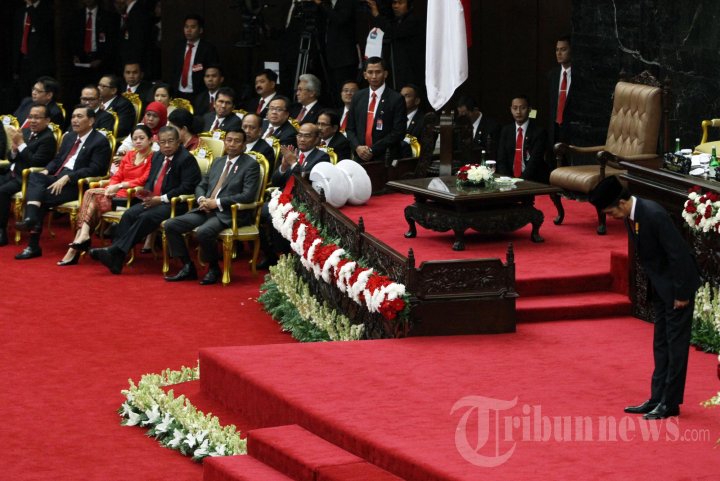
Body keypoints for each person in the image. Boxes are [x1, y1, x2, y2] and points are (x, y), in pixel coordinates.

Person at [589, 176, 701, 420]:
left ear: (621, 203)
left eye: (610, 212)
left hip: (677, 289)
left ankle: (670, 403)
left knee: (675, 347)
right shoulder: (633, 216)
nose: (611, 217)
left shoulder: (653, 214)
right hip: (661, 288)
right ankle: (657, 397)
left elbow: (678, 255)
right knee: (661, 343)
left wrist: (682, 294)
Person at [88, 126, 201, 274]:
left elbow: (187, 187)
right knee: (129, 214)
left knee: (146, 216)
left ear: (178, 141)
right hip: (153, 199)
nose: (167, 145)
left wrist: (160, 199)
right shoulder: (158, 156)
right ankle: (116, 258)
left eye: (171, 141)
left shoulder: (186, 159)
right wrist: (146, 194)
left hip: (175, 203)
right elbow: (150, 180)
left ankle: (113, 252)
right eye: (163, 142)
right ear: (158, 143)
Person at [164, 127, 261, 285]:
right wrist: (202, 199)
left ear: (244, 145)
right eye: (229, 140)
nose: (232, 144)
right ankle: (188, 266)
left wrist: (217, 202)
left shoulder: (250, 165)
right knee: (171, 225)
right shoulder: (218, 161)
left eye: (237, 141)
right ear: (224, 142)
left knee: (204, 232)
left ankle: (214, 268)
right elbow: (201, 185)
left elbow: (248, 195)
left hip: (229, 213)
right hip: (205, 208)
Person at [14, 106, 111, 260]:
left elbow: (96, 169)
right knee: (35, 176)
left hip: (76, 185)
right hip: (57, 177)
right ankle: (31, 220)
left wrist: (69, 177)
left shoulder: (100, 141)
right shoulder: (69, 137)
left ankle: (32, 243)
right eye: (73, 116)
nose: (74, 120)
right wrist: (46, 171)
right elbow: (58, 159)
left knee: (40, 197)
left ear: (91, 121)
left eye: (79, 116)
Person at [57, 125, 153, 266]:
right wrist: (110, 188)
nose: (138, 141)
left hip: (132, 197)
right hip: (115, 194)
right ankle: (81, 239)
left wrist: (119, 186)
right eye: (135, 139)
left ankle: (78, 244)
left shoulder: (153, 157)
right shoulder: (130, 155)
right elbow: (117, 175)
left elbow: (144, 180)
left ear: (150, 140)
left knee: (90, 194)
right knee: (91, 202)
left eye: (142, 138)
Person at [0, 103, 56, 246]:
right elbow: (11, 157)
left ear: (47, 120)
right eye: (30, 117)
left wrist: (21, 145)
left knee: (2, 191)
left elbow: (34, 162)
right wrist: (14, 150)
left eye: (37, 118)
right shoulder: (25, 133)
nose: (32, 121)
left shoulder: (48, 138)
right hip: (12, 173)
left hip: (27, 178)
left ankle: (2, 231)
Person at [346, 57, 406, 162]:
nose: (374, 76)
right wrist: (358, 147)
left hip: (385, 157)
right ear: (365, 75)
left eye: (378, 72)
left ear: (385, 74)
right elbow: (350, 129)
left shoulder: (396, 98)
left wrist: (372, 150)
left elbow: (398, 132)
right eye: (370, 72)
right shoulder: (357, 96)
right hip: (360, 156)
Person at [367, 0, 425, 89]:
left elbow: (394, 31)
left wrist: (377, 15)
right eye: (394, 3)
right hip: (397, 68)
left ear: (409, 5)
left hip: (412, 68)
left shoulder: (414, 20)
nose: (396, 6)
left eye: (400, 3)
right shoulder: (396, 20)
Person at [312, 0, 358, 106]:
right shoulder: (328, 4)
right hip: (328, 56)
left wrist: (321, 4)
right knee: (332, 92)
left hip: (344, 58)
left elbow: (339, 19)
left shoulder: (347, 2)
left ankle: (345, 114)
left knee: (343, 92)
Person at [496, 95, 550, 183]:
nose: (518, 112)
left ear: (529, 109)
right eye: (515, 108)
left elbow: (535, 162)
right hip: (509, 180)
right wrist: (507, 179)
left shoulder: (539, 132)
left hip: (532, 180)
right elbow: (501, 159)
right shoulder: (506, 130)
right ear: (511, 110)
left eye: (523, 108)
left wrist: (520, 181)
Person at [70, 0, 119, 93]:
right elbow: (71, 39)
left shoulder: (108, 16)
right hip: (81, 62)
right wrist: (75, 55)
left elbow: (112, 42)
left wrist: (101, 59)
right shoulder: (76, 16)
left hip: (101, 61)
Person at [170, 14, 220, 100]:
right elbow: (173, 70)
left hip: (198, 93)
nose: (188, 30)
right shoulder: (178, 46)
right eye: (186, 27)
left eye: (193, 27)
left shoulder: (208, 49)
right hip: (178, 92)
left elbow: (212, 70)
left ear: (200, 30)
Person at [12, 0, 55, 96]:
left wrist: (31, 7)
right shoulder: (20, 11)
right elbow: (16, 38)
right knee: (23, 95)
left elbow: (42, 29)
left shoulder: (47, 9)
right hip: (22, 62)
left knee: (39, 95)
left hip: (40, 64)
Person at [548, 35, 578, 145]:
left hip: (572, 133)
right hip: (554, 132)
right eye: (557, 50)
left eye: (563, 49)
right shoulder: (552, 75)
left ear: (572, 51)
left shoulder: (579, 75)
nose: (559, 53)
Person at [456, 95, 501, 160]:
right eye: (460, 114)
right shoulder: (459, 125)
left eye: (465, 114)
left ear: (475, 110)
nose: (463, 118)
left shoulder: (492, 127)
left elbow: (492, 153)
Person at [98, 73, 136, 139]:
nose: (98, 88)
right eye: (99, 85)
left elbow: (121, 129)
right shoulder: (95, 101)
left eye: (103, 86)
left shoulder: (124, 105)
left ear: (113, 90)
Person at [118, 0, 153, 70]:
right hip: (128, 62)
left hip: (135, 65)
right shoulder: (131, 11)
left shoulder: (139, 12)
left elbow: (138, 42)